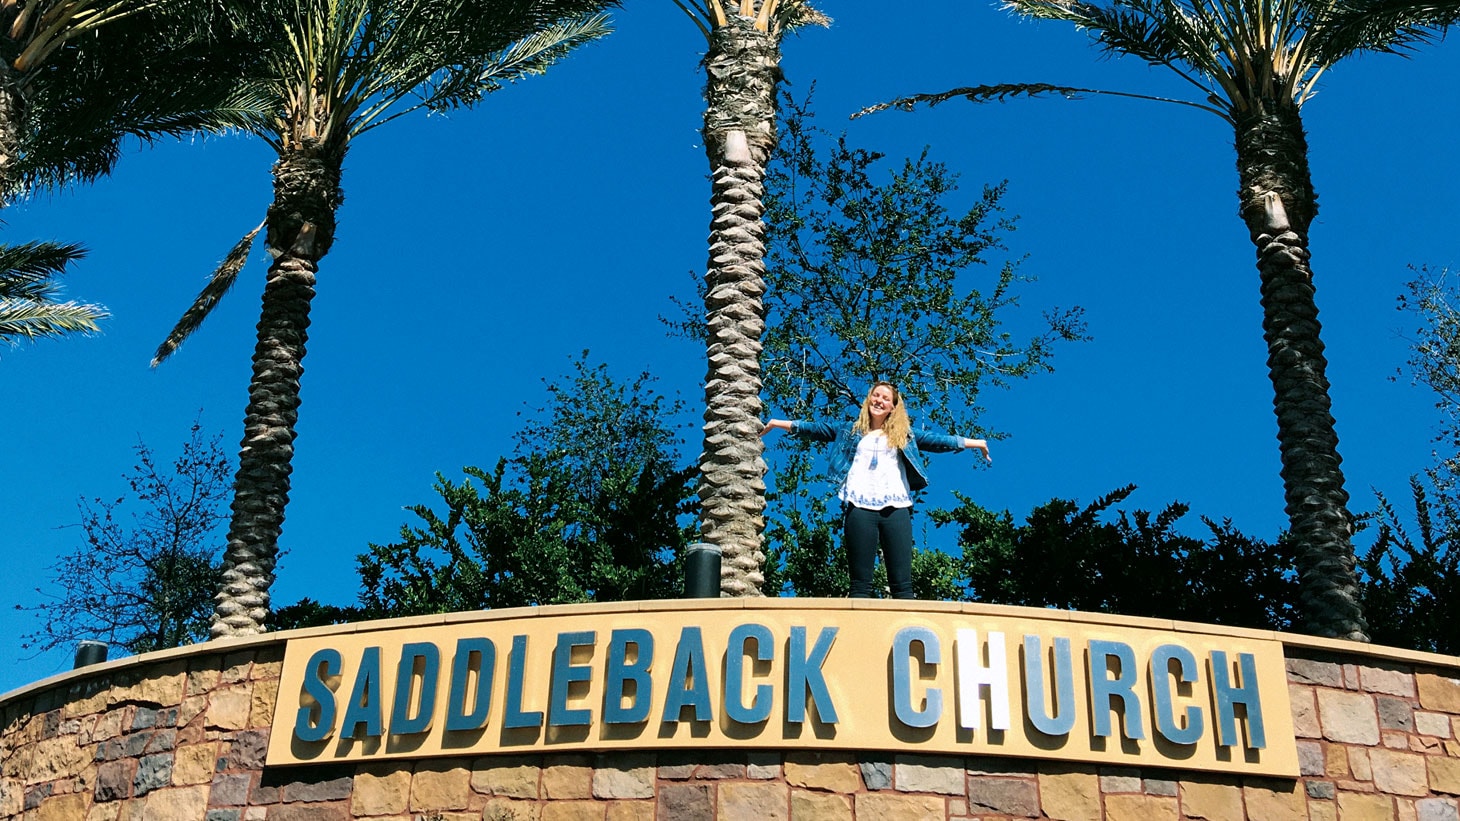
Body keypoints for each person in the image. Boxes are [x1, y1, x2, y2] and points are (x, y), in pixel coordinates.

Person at [761, 381, 991, 599]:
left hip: (896, 509)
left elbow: (939, 441)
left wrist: (976, 442)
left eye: (885, 398)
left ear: (893, 407)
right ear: (869, 399)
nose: (879, 400)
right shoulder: (848, 431)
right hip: (859, 508)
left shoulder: (905, 435)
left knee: (902, 584)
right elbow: (816, 429)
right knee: (860, 584)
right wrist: (777, 423)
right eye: (876, 395)